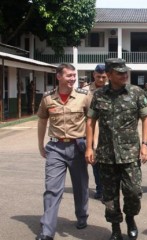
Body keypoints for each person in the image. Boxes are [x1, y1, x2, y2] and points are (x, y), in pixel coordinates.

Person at [85, 58, 147, 240]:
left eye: (125, 72)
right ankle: (115, 228)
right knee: (109, 195)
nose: (124, 75)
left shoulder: (136, 92)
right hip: (106, 154)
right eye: (120, 72)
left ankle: (130, 219)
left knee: (134, 191)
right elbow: (90, 121)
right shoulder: (99, 95)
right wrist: (89, 147)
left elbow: (146, 118)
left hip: (130, 153)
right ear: (109, 75)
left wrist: (145, 145)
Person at [36, 63, 90, 240]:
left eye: (74, 75)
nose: (73, 78)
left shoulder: (84, 97)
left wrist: (91, 146)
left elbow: (92, 121)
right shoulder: (48, 98)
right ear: (58, 76)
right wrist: (40, 145)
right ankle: (47, 231)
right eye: (69, 75)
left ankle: (82, 216)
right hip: (56, 148)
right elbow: (42, 121)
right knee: (51, 189)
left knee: (80, 186)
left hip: (79, 146)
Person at [84, 64, 108, 200]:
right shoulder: (85, 91)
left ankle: (108, 189)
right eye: (98, 76)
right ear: (94, 75)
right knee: (95, 162)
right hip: (92, 130)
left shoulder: (111, 89)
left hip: (108, 130)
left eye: (103, 77)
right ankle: (100, 188)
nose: (100, 79)